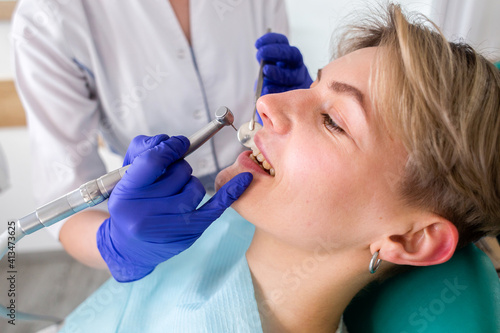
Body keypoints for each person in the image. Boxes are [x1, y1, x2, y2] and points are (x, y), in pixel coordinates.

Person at [59, 3, 499, 332]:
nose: (266, 102)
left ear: (412, 238)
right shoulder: (248, 227)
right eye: (313, 84)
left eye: (334, 120)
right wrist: (110, 244)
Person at [11, 0, 311, 266]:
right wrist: (117, 247)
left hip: (274, 201)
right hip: (157, 228)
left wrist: (302, 111)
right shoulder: (48, 16)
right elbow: (66, 196)